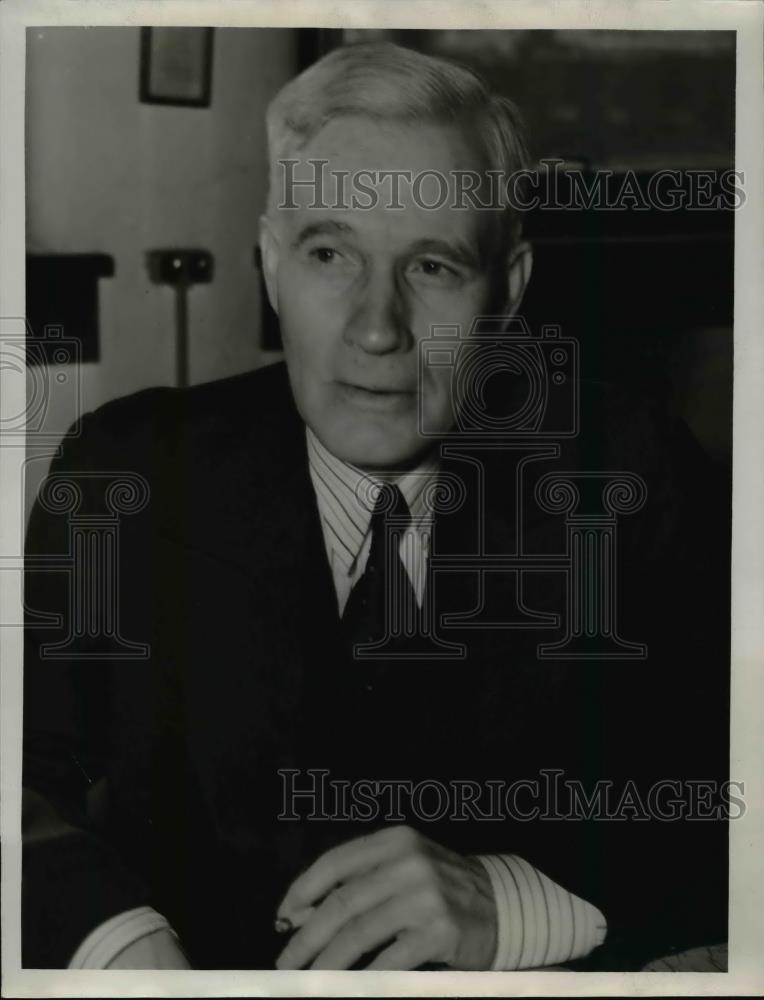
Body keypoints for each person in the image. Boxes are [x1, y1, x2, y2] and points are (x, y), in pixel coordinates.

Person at [22, 41, 728, 971]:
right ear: (272, 265)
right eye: (329, 253)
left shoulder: (634, 477)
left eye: (432, 267)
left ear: (507, 292)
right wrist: (117, 941)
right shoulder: (125, 474)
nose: (375, 327)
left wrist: (514, 900)